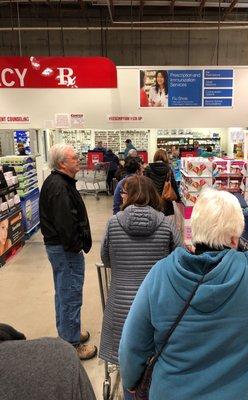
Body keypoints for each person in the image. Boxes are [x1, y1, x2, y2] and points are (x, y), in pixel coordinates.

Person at [119, 188, 248, 400]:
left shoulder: (161, 274)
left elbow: (132, 344)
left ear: (194, 231)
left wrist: (131, 381)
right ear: (235, 239)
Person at [99, 175, 182, 400]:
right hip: (158, 306)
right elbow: (178, 259)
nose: (122, 196)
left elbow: (106, 258)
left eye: (125, 193)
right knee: (156, 363)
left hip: (120, 305)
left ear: (131, 196)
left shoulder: (114, 222)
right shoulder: (166, 224)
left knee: (128, 367)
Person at [39, 144, 97, 360]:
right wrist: (76, 246)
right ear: (62, 163)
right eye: (74, 158)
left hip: (60, 248)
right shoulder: (59, 186)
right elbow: (66, 224)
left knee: (64, 292)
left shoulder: (59, 182)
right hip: (65, 250)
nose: (79, 160)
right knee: (70, 294)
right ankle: (72, 345)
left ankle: (67, 333)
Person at [0, 323, 96, 400]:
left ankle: (70, 333)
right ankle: (72, 340)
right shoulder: (59, 355)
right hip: (61, 356)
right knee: (70, 301)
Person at [144, 149, 180, 217]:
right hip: (166, 201)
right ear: (165, 157)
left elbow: (145, 186)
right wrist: (178, 198)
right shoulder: (168, 169)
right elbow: (173, 184)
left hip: (152, 201)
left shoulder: (148, 169)